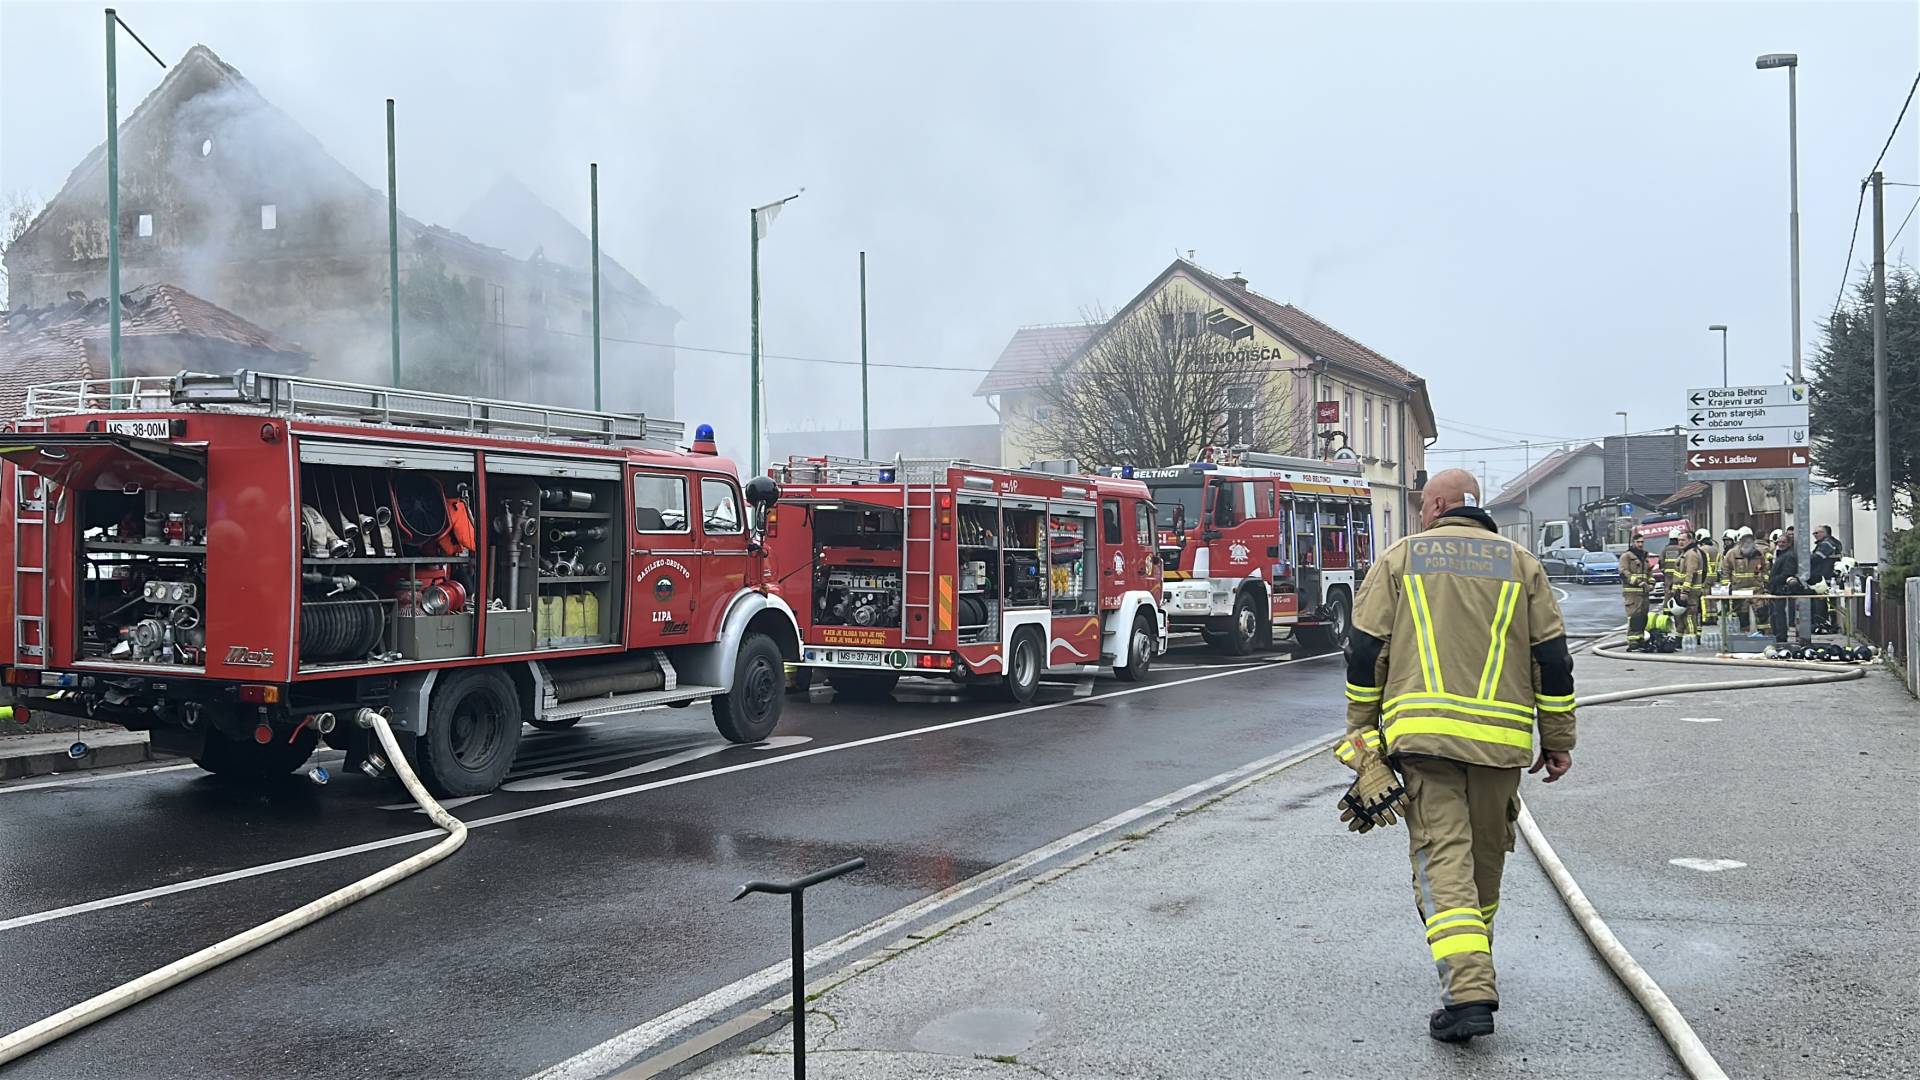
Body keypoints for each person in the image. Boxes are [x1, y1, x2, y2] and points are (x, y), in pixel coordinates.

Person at [1336, 469, 1576, 1044]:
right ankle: (1475, 970)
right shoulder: (1522, 565)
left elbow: (1365, 653)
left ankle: (1468, 991)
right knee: (1484, 864)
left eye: (1423, 505)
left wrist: (1362, 738)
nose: (1420, 513)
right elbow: (1554, 660)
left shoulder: (1399, 561)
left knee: (1445, 861)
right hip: (1501, 746)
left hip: (1424, 744)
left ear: (1440, 505)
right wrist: (1559, 739)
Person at [1722, 527, 1767, 635]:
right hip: (1739, 591)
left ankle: (1764, 637)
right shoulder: (1731, 554)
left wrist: (1766, 585)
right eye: (1744, 540)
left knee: (1763, 614)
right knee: (1742, 616)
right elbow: (1725, 571)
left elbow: (1765, 570)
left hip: (1757, 591)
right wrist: (1726, 587)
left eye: (1750, 540)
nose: (1747, 543)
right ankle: (1744, 637)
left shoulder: (1759, 553)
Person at [1767, 530, 1803, 644]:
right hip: (1776, 589)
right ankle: (1778, 635)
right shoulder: (1781, 554)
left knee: (1779, 614)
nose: (1780, 544)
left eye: (1783, 542)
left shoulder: (1789, 555)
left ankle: (1781, 637)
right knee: (1776, 613)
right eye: (1779, 542)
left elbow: (1787, 573)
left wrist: (1772, 580)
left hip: (1781, 589)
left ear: (1789, 543)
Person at [1619, 535, 1653, 646]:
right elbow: (1624, 572)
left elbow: (1649, 573)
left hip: (1644, 593)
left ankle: (1640, 637)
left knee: (1643, 616)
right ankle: (1632, 640)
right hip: (1632, 592)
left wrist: (1651, 583)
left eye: (1642, 542)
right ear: (1633, 543)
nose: (1641, 544)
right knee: (1634, 616)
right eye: (1638, 542)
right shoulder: (1627, 556)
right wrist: (1638, 582)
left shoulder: (1644, 556)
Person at [1810, 525, 1842, 633]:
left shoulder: (1826, 544)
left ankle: (1824, 625)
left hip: (1824, 578)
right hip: (1828, 577)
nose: (1814, 535)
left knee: (1821, 603)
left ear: (1825, 533)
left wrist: (1804, 558)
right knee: (1829, 604)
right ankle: (1829, 624)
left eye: (1816, 533)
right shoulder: (1832, 543)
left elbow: (1816, 558)